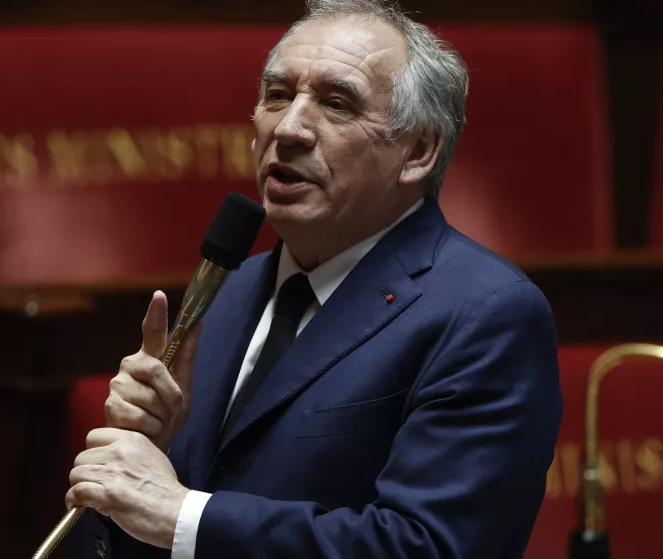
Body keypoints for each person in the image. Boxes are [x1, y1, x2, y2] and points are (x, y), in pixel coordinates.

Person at [65, 1, 563, 557]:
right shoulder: (230, 288)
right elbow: (160, 517)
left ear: (417, 151)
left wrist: (185, 516)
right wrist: (148, 454)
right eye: (277, 96)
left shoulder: (485, 313)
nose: (290, 128)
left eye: (336, 103)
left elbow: (428, 546)